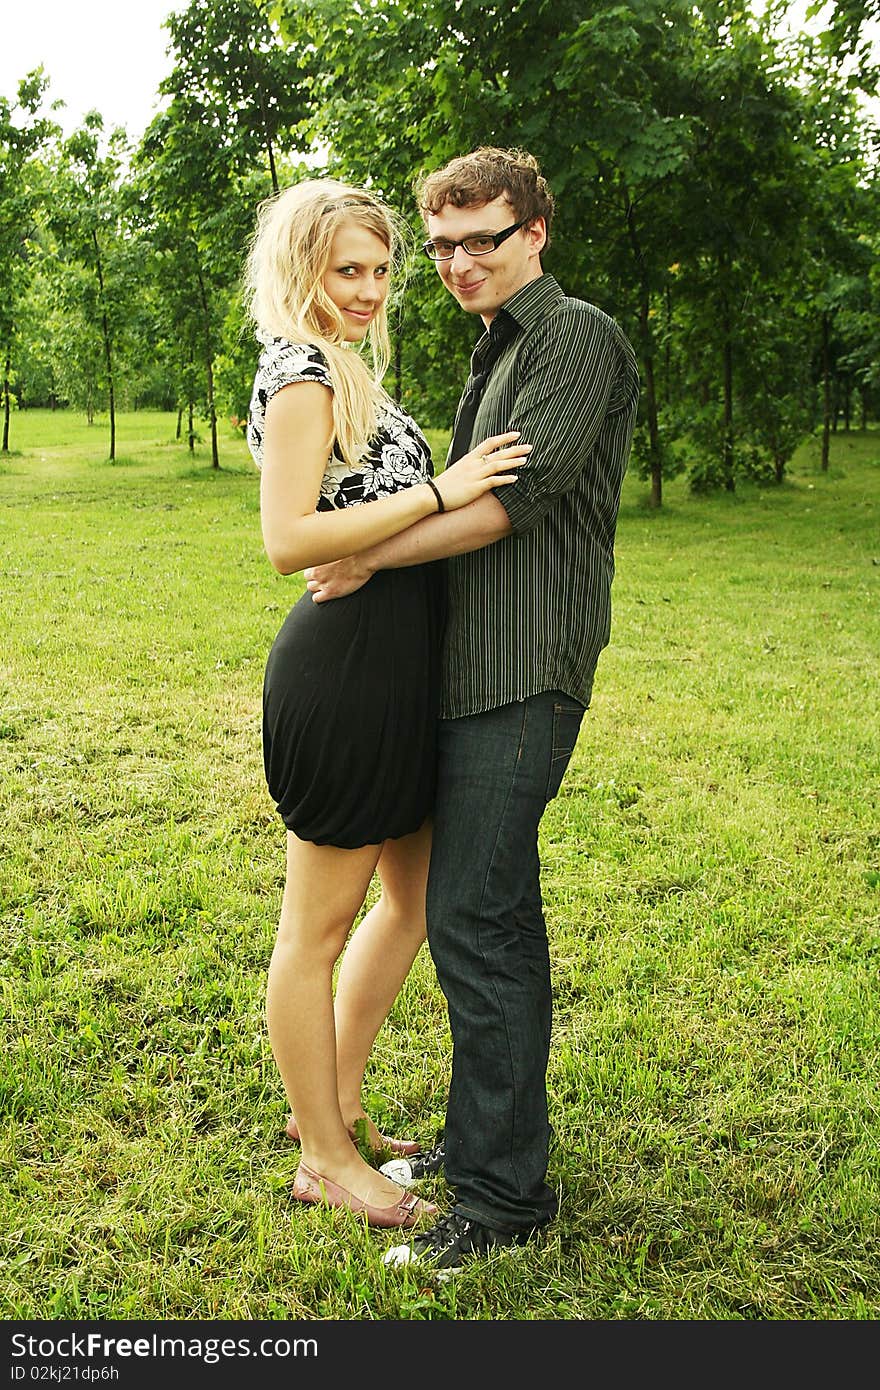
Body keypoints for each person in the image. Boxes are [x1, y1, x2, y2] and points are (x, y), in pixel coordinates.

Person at [303, 147, 640, 1267]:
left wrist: (367, 556)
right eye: (438, 246)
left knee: (478, 923)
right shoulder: (490, 352)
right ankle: (488, 1138)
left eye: (479, 239)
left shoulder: (574, 335)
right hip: (461, 675)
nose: (454, 263)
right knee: (471, 914)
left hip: (524, 670)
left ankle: (503, 1200)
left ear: (533, 232)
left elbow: (507, 505)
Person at [243, 177, 530, 1229]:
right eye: (346, 269)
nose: (367, 289)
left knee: (409, 901)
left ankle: (342, 1104)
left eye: (378, 269)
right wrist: (445, 489)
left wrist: (400, 522)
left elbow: (358, 525)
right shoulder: (305, 373)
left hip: (400, 666)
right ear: (303, 270)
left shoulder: (350, 368)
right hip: (346, 671)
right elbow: (288, 539)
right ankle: (322, 1156)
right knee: (311, 930)